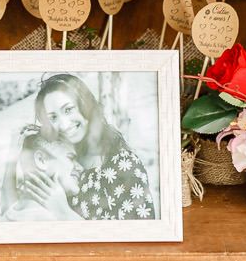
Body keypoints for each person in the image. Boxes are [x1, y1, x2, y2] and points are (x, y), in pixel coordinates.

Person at [31, 72, 156, 223]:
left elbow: (140, 236)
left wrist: (64, 213)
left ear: (85, 106)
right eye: (53, 117)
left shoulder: (122, 163)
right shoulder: (62, 167)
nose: (63, 124)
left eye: (68, 109)